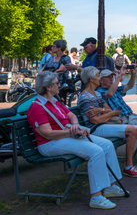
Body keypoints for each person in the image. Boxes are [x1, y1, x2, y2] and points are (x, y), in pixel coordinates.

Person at [27, 71, 126, 209]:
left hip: (64, 137)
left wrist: (75, 125)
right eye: (56, 83)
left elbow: (71, 115)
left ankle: (110, 186)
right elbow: (47, 134)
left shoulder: (54, 101)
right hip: (50, 144)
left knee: (107, 144)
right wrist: (72, 131)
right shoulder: (37, 107)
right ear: (48, 87)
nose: (59, 85)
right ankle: (96, 197)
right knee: (95, 151)